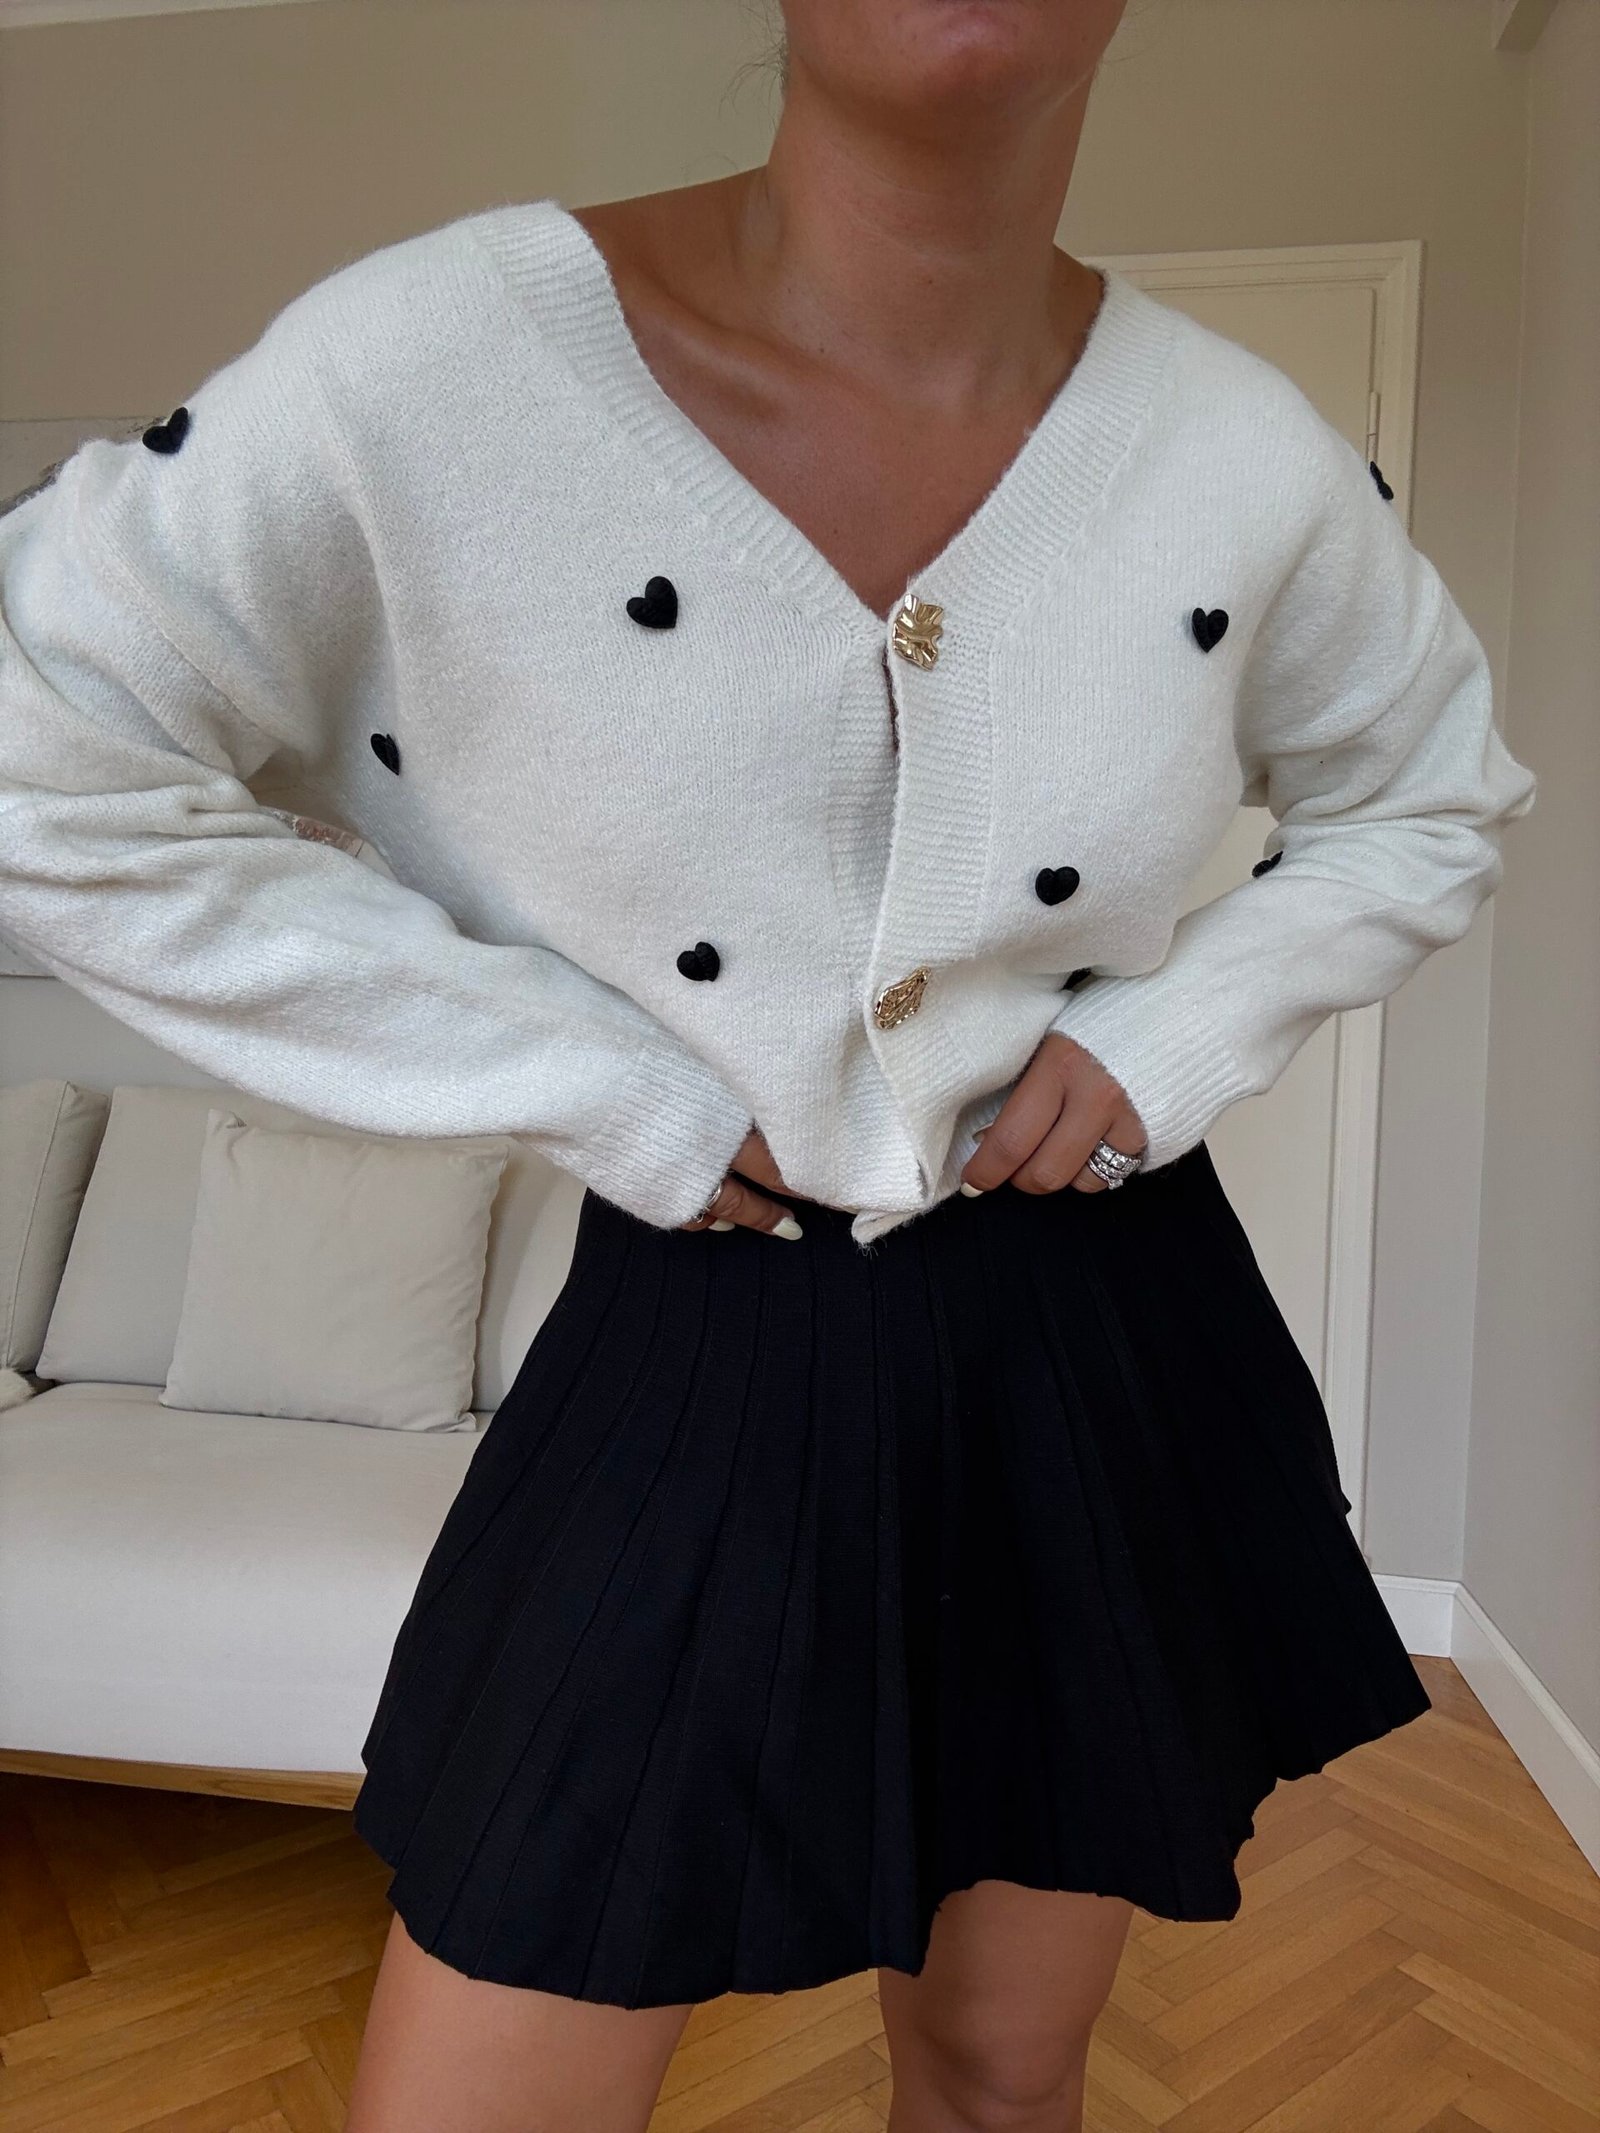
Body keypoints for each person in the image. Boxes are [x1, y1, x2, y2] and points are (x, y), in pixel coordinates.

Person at [0, 5, 1537, 2131]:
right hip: (698, 1323)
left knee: (1000, 2076)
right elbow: (42, 752)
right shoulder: (434, 366)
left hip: (1096, 1342)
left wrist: (1170, 1034)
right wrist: (576, 1069)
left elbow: (1431, 792)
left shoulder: (1241, 453)